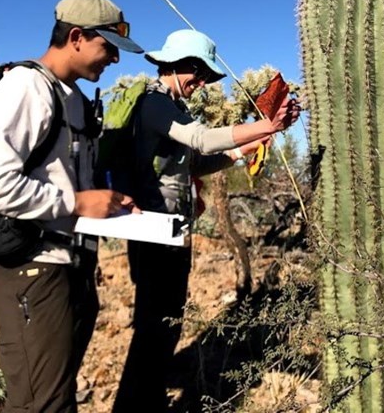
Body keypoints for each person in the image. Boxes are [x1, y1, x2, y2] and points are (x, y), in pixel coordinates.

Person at [0, 0, 143, 413]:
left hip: (73, 267)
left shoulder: (75, 99)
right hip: (34, 269)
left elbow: (68, 181)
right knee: (40, 404)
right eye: (108, 48)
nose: (114, 61)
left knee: (58, 395)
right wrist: (77, 203)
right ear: (78, 37)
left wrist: (111, 206)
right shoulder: (26, 88)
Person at [112, 29, 300, 412]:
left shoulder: (174, 109)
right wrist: (267, 126)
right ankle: (133, 405)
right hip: (151, 230)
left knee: (167, 323)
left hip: (171, 229)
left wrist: (240, 151)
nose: (201, 84)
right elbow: (200, 140)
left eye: (205, 77)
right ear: (177, 66)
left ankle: (147, 399)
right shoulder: (154, 103)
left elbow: (195, 162)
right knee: (154, 326)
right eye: (197, 74)